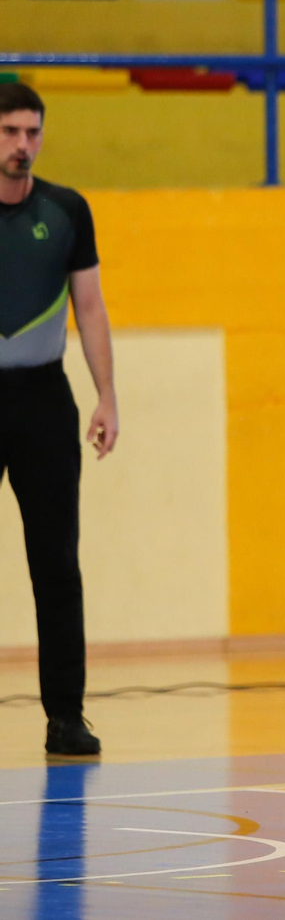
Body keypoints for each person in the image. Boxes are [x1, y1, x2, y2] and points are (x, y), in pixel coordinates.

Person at [0, 82, 117, 757]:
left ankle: (65, 715)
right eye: (11, 132)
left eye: (32, 132)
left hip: (45, 400)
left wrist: (106, 396)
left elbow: (91, 308)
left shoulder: (67, 211)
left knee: (56, 563)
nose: (23, 146)